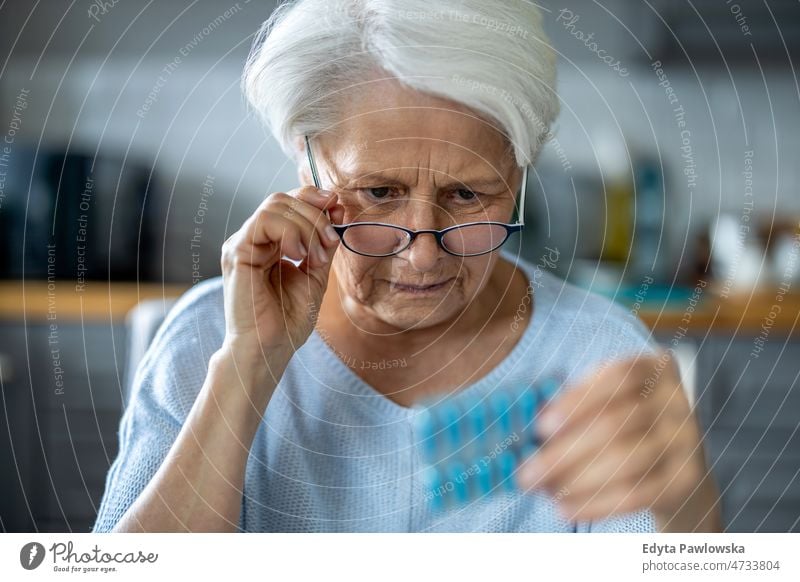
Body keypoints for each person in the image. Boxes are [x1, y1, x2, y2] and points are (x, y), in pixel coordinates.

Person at [93, 0, 721, 533]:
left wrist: (687, 515)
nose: (423, 252)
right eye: (379, 193)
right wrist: (245, 369)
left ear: (519, 174)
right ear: (306, 164)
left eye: (468, 196)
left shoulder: (599, 356)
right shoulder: (207, 337)